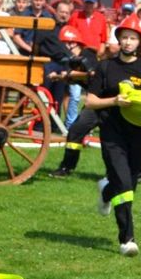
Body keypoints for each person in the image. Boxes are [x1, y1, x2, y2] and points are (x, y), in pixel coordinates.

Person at [86, 14, 141, 257]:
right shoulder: (105, 66)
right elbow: (90, 101)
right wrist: (114, 100)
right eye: (124, 38)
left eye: (133, 38)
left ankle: (105, 191)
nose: (128, 42)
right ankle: (127, 239)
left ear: (140, 41)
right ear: (119, 40)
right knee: (124, 184)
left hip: (139, 134)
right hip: (112, 132)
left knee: (128, 183)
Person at [48, 26, 100, 177]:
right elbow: (72, 78)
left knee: (118, 136)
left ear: (74, 43)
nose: (64, 47)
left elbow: (92, 74)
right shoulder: (73, 62)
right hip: (94, 102)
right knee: (75, 131)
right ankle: (66, 168)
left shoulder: (87, 55)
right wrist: (57, 77)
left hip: (103, 100)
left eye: (67, 43)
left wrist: (71, 74)